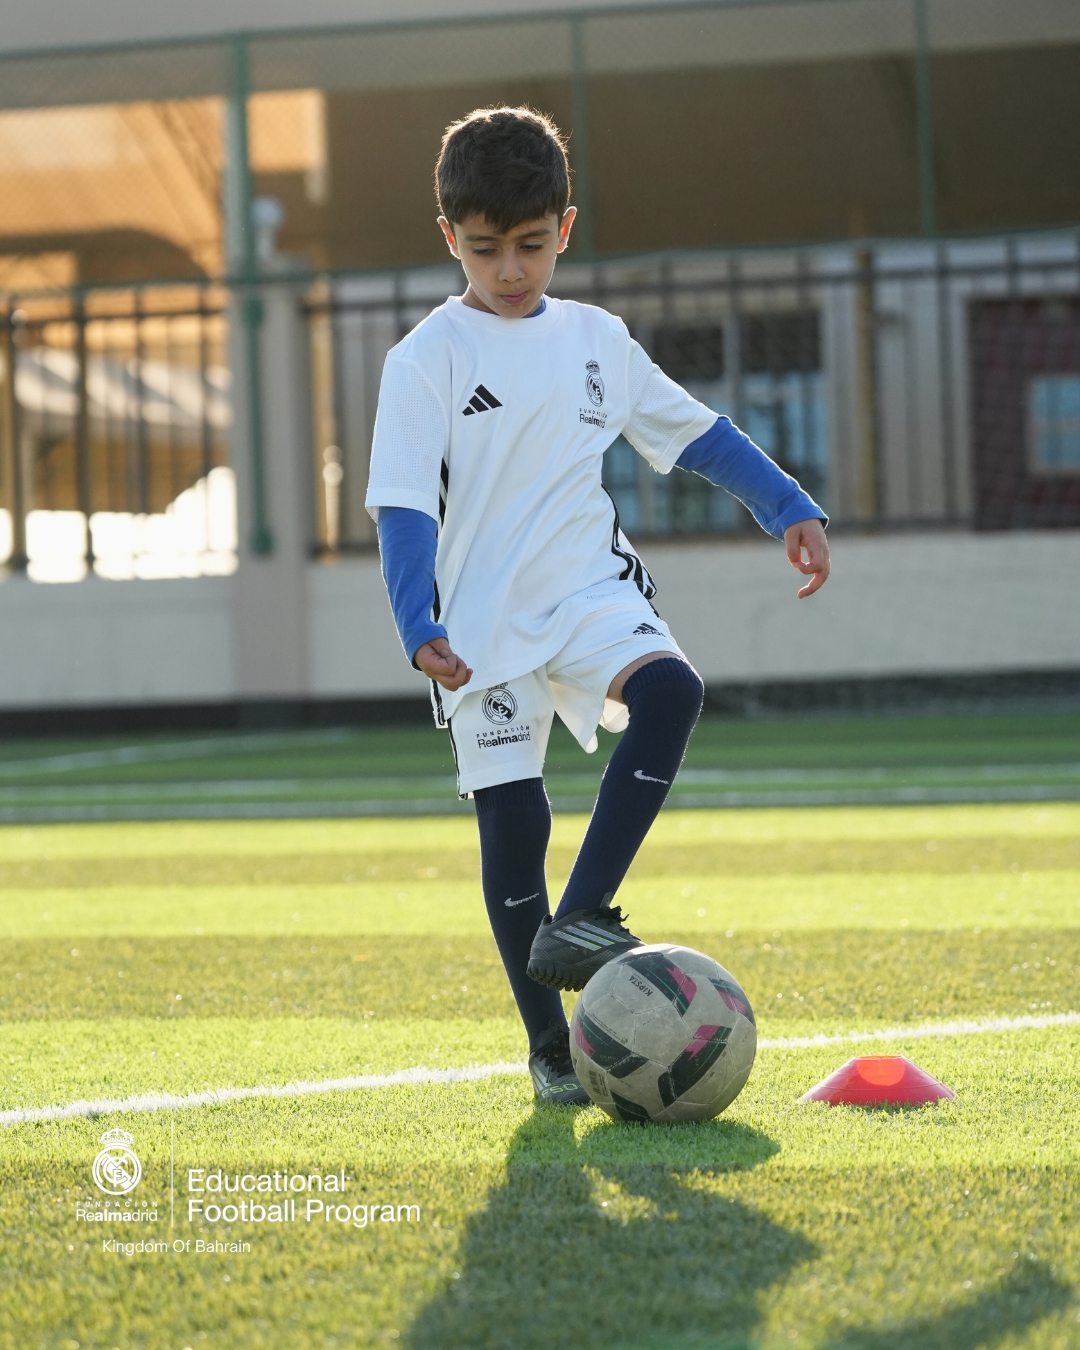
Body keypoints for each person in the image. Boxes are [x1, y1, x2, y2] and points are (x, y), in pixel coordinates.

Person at [366, 106, 830, 1104]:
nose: (509, 271)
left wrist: (784, 505)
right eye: (485, 250)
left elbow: (695, 432)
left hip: (586, 588)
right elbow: (400, 503)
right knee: (511, 825)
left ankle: (584, 910)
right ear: (450, 239)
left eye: (530, 246)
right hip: (477, 625)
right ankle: (548, 1046)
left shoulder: (596, 341)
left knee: (672, 691)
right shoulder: (425, 360)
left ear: (564, 230)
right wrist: (420, 624)